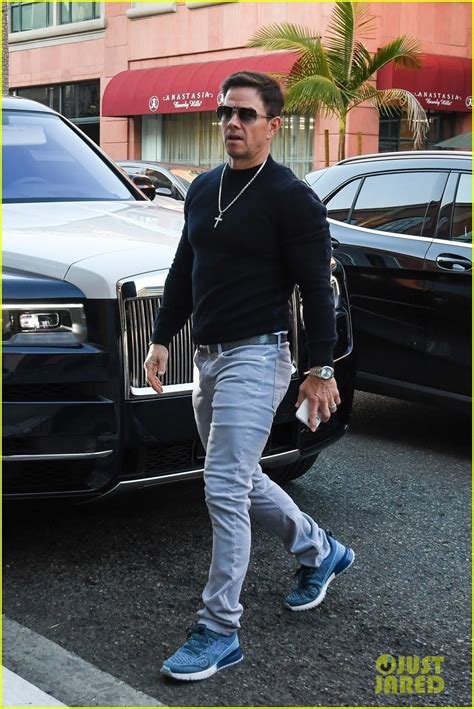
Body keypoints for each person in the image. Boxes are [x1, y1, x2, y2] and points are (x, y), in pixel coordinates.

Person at [144, 71, 354, 682]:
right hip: (208, 358)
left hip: (259, 356)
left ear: (273, 126)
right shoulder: (203, 188)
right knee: (236, 476)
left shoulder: (291, 197)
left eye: (245, 114)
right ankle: (320, 550)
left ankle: (219, 629)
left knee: (223, 486)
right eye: (225, 113)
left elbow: (317, 288)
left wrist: (321, 368)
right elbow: (184, 269)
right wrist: (160, 340)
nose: (232, 123)